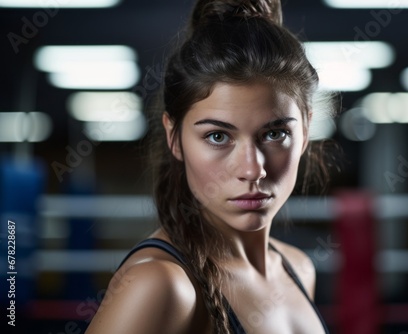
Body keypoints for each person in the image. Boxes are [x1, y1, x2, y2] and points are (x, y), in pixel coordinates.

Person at [86, 0, 333, 333]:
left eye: (275, 133)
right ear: (174, 138)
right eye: (218, 136)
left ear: (305, 132)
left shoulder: (298, 269)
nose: (253, 169)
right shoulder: (160, 284)